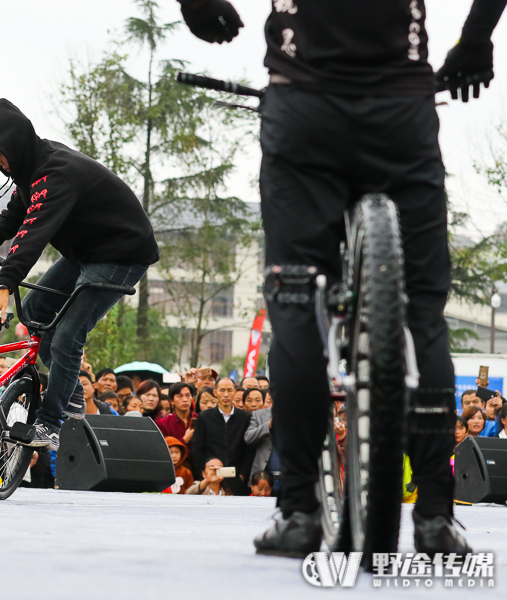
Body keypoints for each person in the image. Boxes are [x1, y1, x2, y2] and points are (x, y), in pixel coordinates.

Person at [179, 0, 505, 556]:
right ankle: (432, 517)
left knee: (296, 297)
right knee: (422, 310)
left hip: (304, 108)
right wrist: (475, 39)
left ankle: (301, 509)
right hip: (400, 108)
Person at [0, 98, 159, 450]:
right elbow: (16, 212)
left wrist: (5, 284)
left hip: (122, 253)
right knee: (37, 314)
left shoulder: (56, 174)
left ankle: (50, 424)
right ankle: (68, 390)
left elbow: (34, 233)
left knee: (68, 335)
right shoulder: (28, 171)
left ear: (14, 143)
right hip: (85, 251)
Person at [188, 377, 249, 494]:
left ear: (235, 392)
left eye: (229, 390)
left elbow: (248, 448)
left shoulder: (244, 417)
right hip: (211, 476)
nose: (226, 394)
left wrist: (243, 474)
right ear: (215, 392)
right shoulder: (205, 417)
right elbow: (197, 448)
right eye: (222, 390)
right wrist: (202, 474)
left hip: (236, 477)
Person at [156, 382, 197, 448]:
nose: (185, 400)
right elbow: (166, 450)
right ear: (172, 401)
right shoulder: (164, 424)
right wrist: (185, 440)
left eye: (188, 395)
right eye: (180, 396)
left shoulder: (199, 419)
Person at [245, 403, 273, 479]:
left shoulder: (298, 413)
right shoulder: (258, 414)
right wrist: (268, 426)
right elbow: (248, 437)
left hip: (289, 475)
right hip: (262, 475)